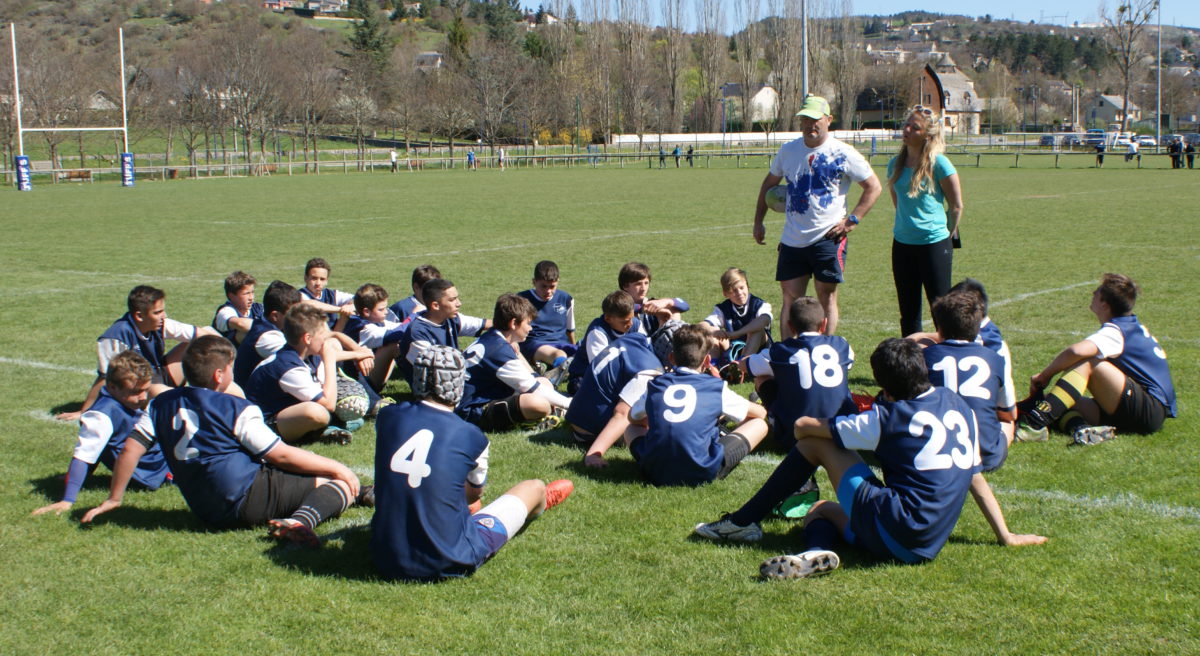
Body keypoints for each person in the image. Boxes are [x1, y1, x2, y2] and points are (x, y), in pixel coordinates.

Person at [693, 338, 980, 580]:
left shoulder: (888, 418)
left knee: (817, 444)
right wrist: (1004, 534)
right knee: (820, 509)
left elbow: (805, 427)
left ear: (885, 387)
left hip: (899, 527)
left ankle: (741, 522)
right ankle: (815, 552)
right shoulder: (958, 405)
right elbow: (975, 475)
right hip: (926, 542)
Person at [81, 335, 369, 548]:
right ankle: (300, 523)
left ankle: (370, 493)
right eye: (230, 367)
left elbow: (132, 447)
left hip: (204, 508)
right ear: (220, 375)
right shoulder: (235, 408)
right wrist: (338, 468)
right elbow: (279, 455)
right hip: (242, 497)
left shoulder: (160, 404)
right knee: (337, 483)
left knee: (309, 477)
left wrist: (114, 499)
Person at [371, 345, 573, 581]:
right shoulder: (471, 435)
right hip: (450, 557)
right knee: (534, 487)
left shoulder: (388, 416)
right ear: (457, 385)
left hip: (384, 554)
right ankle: (537, 504)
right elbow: (473, 496)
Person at [921, 291, 1046, 546]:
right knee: (1009, 420)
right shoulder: (994, 358)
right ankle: (1016, 436)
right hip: (986, 453)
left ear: (938, 327)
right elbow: (1008, 411)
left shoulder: (925, 356)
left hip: (937, 446)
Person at [753, 95, 881, 337]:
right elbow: (768, 185)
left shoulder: (844, 152)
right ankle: (788, 355)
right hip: (792, 239)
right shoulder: (788, 151)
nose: (809, 125)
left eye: (815, 119)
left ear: (829, 120)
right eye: (804, 119)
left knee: (826, 297)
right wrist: (758, 221)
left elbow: (873, 186)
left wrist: (852, 220)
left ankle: (825, 350)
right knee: (790, 299)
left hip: (828, 238)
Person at [591, 324, 769, 486]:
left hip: (654, 470)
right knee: (759, 424)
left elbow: (632, 417)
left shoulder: (655, 384)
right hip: (702, 470)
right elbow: (759, 414)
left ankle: (662, 452)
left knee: (632, 427)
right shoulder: (715, 387)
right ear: (707, 361)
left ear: (671, 358)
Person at [1015, 273, 1176, 445]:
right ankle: (1081, 430)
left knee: (1089, 362)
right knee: (1055, 402)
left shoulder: (1117, 331)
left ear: (1104, 304)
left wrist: (1045, 375)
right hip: (1140, 410)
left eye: (1097, 292)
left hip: (1148, 411)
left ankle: (1032, 425)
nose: (1092, 293)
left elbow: (1077, 351)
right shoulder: (1131, 326)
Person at [32, 351, 171, 517]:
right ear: (112, 387)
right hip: (150, 473)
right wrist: (67, 500)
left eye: (145, 390)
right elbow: (84, 455)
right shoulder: (101, 415)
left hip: (158, 463)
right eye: (135, 391)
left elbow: (102, 446)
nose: (142, 397)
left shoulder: (124, 402)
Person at [57, 285, 218, 422]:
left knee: (208, 338)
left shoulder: (162, 324)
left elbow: (203, 334)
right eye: (158, 312)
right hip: (142, 386)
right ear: (139, 316)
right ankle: (199, 408)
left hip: (159, 373)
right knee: (160, 392)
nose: (164, 316)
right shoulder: (115, 337)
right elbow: (105, 378)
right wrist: (84, 411)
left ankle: (216, 393)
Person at [886, 105, 964, 337]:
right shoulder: (894, 165)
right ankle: (911, 363)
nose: (907, 129)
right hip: (902, 244)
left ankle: (946, 356)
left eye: (914, 127)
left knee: (940, 308)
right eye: (906, 125)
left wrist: (946, 236)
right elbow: (898, 201)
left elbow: (956, 205)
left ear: (927, 135)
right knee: (908, 311)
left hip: (934, 244)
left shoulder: (940, 164)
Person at [244, 304, 366, 444]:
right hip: (267, 423)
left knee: (351, 417)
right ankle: (321, 431)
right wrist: (329, 361)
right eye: (322, 335)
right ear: (307, 338)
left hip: (287, 413)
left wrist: (360, 354)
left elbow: (333, 352)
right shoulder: (289, 368)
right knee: (316, 413)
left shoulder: (302, 353)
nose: (325, 340)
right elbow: (329, 405)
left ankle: (328, 428)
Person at [457, 294, 572, 432]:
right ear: (513, 323)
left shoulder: (494, 337)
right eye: (528, 323)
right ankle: (533, 420)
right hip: (472, 410)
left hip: (484, 394)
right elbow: (532, 388)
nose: (530, 328)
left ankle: (552, 412)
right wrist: (570, 404)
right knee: (538, 403)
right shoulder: (498, 350)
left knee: (544, 383)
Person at [567, 329, 661, 450]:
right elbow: (622, 413)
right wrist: (595, 453)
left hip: (579, 414)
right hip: (591, 430)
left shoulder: (636, 338)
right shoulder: (649, 370)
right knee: (658, 427)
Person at [397, 278, 490, 383]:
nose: (459, 303)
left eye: (457, 298)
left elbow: (487, 324)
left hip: (455, 378)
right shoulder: (417, 333)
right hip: (437, 391)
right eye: (452, 300)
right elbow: (437, 373)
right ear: (435, 305)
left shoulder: (451, 319)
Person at [565, 290, 641, 395]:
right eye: (625, 322)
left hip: (622, 373)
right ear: (608, 319)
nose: (630, 324)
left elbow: (645, 352)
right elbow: (601, 369)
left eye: (632, 318)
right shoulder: (597, 332)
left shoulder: (635, 324)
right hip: (586, 376)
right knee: (581, 389)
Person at [516, 260, 576, 384]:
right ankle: (551, 382)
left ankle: (543, 368)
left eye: (552, 286)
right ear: (534, 282)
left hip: (560, 342)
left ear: (558, 281)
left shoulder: (566, 299)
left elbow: (570, 331)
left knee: (582, 354)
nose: (548, 291)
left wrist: (575, 348)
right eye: (543, 286)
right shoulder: (522, 300)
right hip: (535, 343)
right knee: (559, 354)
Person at [234, 281, 302, 387]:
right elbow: (299, 360)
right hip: (252, 399)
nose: (299, 317)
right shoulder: (267, 338)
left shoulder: (267, 324)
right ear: (275, 316)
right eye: (293, 313)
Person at [702, 267, 773, 366]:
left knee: (757, 331)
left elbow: (765, 319)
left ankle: (741, 366)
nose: (739, 293)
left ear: (747, 286)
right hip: (734, 349)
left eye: (742, 288)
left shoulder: (760, 305)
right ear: (725, 294)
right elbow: (702, 325)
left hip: (759, 351)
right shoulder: (723, 308)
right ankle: (713, 367)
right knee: (712, 335)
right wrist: (714, 331)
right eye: (734, 291)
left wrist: (736, 333)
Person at [618, 261, 688, 336]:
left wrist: (668, 302)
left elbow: (685, 306)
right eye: (638, 284)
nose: (643, 288)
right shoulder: (617, 301)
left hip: (653, 343)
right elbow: (624, 308)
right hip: (629, 344)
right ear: (625, 286)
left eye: (646, 283)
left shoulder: (653, 303)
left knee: (674, 311)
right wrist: (647, 308)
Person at [298, 257, 354, 331]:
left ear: (327, 281)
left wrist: (351, 306)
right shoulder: (300, 295)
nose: (318, 283)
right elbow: (310, 305)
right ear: (306, 278)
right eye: (314, 278)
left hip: (333, 335)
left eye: (322, 279)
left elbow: (358, 298)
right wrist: (341, 310)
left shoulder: (331, 294)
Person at [211, 271, 263, 346]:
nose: (251, 298)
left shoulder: (258, 308)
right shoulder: (225, 311)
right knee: (243, 334)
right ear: (231, 296)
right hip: (227, 355)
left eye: (252, 292)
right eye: (246, 293)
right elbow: (241, 324)